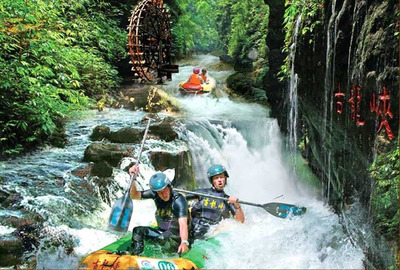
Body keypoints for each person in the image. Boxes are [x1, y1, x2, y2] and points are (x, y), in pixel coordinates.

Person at [128, 165, 190, 255]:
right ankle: (136, 255)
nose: (163, 194)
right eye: (159, 192)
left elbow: (183, 224)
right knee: (137, 231)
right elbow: (134, 195)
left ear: (169, 187)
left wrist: (184, 242)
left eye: (164, 190)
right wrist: (132, 178)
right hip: (162, 233)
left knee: (161, 238)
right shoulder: (155, 194)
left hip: (176, 238)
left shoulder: (179, 200)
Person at [186, 164, 245, 240]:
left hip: (212, 232)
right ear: (212, 181)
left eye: (222, 177)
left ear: (225, 179)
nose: (220, 180)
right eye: (216, 178)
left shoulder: (228, 200)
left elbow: (240, 221)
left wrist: (237, 205)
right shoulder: (202, 193)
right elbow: (182, 197)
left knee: (231, 225)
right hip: (196, 229)